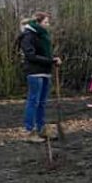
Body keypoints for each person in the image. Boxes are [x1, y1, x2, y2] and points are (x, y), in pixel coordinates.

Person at [18, 12, 61, 143]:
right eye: (46, 22)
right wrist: (50, 61)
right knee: (33, 101)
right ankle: (29, 131)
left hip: (45, 72)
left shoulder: (42, 35)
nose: (48, 25)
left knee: (42, 103)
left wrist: (52, 59)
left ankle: (41, 128)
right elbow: (31, 56)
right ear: (38, 23)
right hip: (34, 72)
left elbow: (44, 53)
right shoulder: (28, 35)